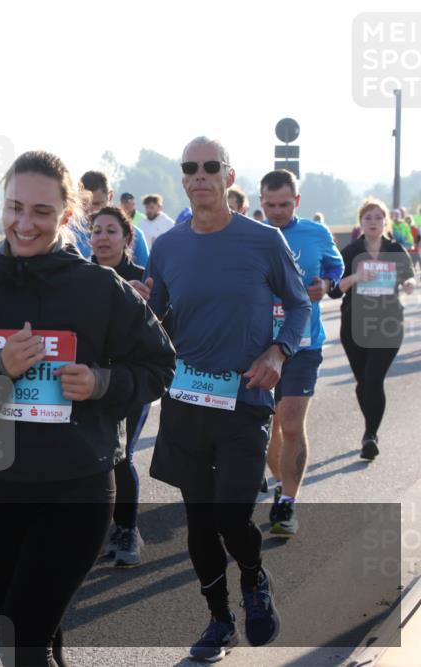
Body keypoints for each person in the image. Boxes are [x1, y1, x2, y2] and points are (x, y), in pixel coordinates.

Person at [0, 152, 174, 666]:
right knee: (34, 631)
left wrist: (103, 381)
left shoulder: (99, 288)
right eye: (15, 207)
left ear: (66, 216)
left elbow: (159, 364)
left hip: (77, 490)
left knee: (23, 641)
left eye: (41, 211)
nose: (23, 223)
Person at [132, 136, 310, 661]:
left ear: (229, 178)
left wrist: (278, 353)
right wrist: (139, 308)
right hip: (187, 401)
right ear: (182, 179)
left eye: (212, 167)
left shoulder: (262, 240)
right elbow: (157, 320)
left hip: (244, 399)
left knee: (232, 514)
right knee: (201, 519)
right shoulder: (167, 247)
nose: (200, 175)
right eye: (191, 168)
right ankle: (219, 620)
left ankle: (254, 579)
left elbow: (299, 307)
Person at [258, 170, 344, 536]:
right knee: (264, 427)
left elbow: (334, 266)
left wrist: (325, 283)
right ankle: (279, 481)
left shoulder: (317, 233)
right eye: (270, 205)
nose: (277, 211)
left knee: (290, 422)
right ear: (260, 201)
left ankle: (287, 504)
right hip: (259, 343)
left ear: (297, 201)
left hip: (304, 343)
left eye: (284, 204)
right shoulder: (249, 234)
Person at [88, 206, 153, 567]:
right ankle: (95, 528)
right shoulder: (79, 276)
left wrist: (142, 305)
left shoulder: (143, 278)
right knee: (92, 456)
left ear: (127, 239)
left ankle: (127, 528)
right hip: (89, 379)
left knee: (121, 453)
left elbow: (164, 333)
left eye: (110, 231)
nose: (101, 237)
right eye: (96, 230)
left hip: (131, 379)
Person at [328, 198, 416, 460]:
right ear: (361, 222)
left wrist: (409, 284)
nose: (373, 222)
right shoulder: (352, 251)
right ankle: (371, 429)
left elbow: (408, 275)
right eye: (368, 218)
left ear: (385, 221)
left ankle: (370, 435)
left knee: (374, 380)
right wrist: (356, 277)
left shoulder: (395, 249)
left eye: (378, 217)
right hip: (355, 324)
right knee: (363, 383)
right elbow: (334, 290)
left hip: (388, 323)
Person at [77, 175, 149, 265]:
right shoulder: (69, 234)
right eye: (85, 203)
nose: (91, 211)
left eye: (96, 204)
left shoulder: (135, 236)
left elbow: (147, 275)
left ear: (110, 196)